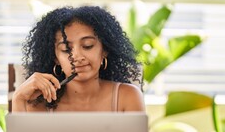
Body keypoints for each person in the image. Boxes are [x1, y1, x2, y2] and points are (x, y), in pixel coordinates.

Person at [12, 6, 145, 113]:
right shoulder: (39, 104)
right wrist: (18, 99)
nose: (77, 57)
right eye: (66, 49)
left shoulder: (128, 97)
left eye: (88, 46)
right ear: (56, 58)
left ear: (104, 50)